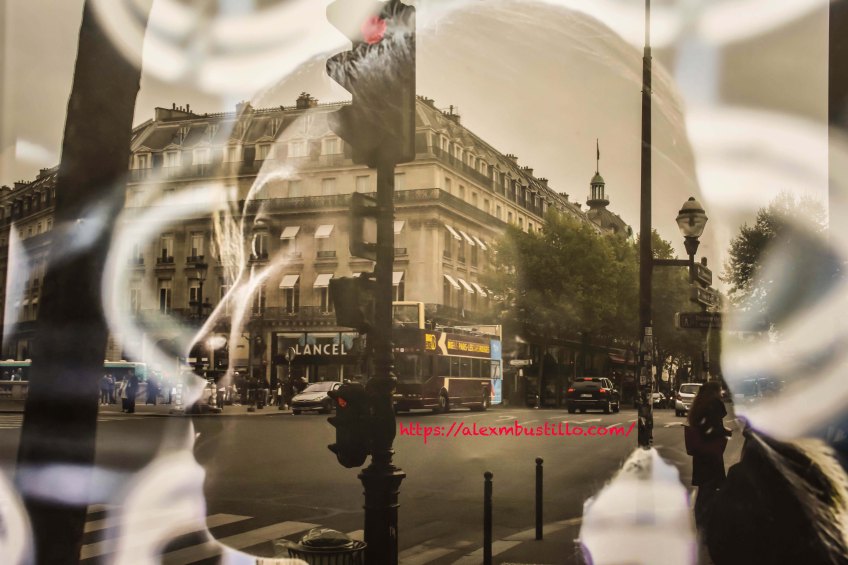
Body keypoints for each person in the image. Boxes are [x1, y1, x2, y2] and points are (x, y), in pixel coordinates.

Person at [685, 381, 731, 531]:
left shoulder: (699, 406)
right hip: (711, 453)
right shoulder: (714, 405)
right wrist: (725, 432)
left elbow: (703, 427)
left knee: (704, 488)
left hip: (700, 454)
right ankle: (707, 522)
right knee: (710, 488)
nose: (721, 394)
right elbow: (712, 430)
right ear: (715, 392)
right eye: (720, 391)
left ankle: (700, 520)